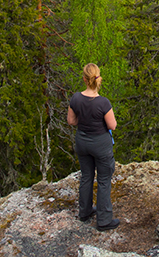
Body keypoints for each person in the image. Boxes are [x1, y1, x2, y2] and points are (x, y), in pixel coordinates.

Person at [67, 63, 120, 231]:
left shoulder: (76, 98)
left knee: (86, 176)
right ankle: (104, 220)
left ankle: (85, 211)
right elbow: (112, 126)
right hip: (100, 144)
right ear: (98, 79)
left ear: (84, 79)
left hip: (82, 142)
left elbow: (71, 121)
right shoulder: (103, 103)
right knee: (104, 180)